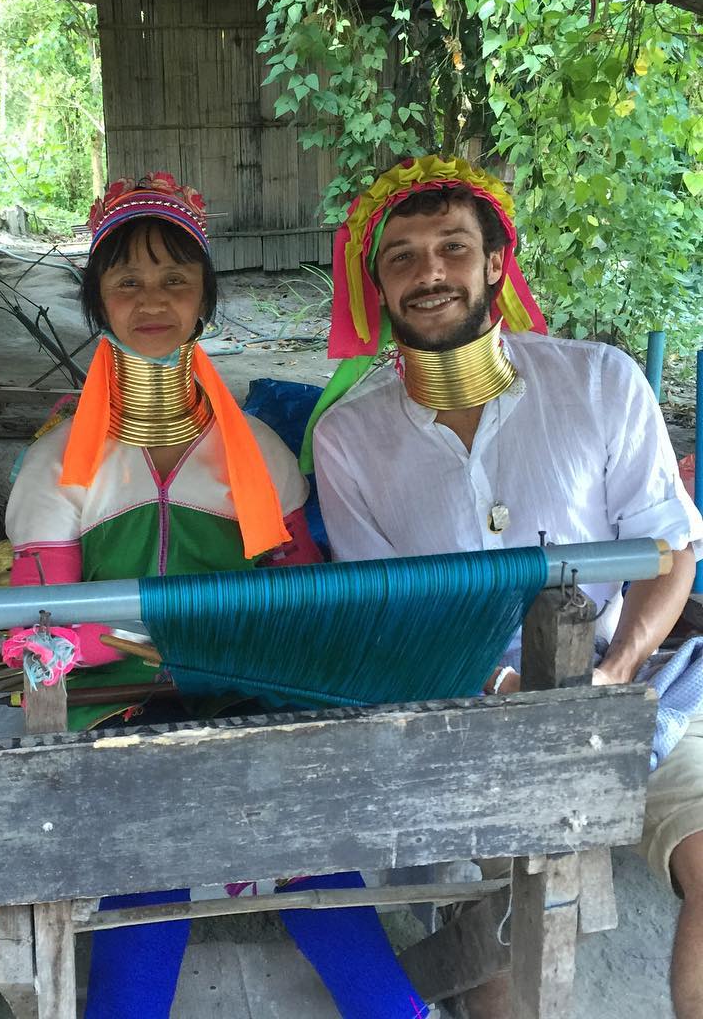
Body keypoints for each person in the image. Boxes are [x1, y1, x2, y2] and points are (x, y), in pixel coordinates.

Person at [5, 173, 426, 1018]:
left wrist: (203, 645)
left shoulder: (260, 455)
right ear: (97, 300)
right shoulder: (55, 467)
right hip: (110, 710)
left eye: (175, 278)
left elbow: (301, 606)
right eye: (127, 280)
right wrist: (184, 638)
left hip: (244, 699)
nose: (151, 300)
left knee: (303, 833)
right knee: (149, 842)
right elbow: (41, 633)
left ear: (205, 298)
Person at [309, 154, 703, 1017]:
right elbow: (386, 613)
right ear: (378, 284)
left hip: (631, 685)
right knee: (501, 935)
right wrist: (502, 687)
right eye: (402, 256)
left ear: (495, 264)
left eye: (453, 247)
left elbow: (670, 550)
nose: (430, 272)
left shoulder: (600, 381)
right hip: (461, 707)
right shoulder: (346, 439)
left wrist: (615, 674)